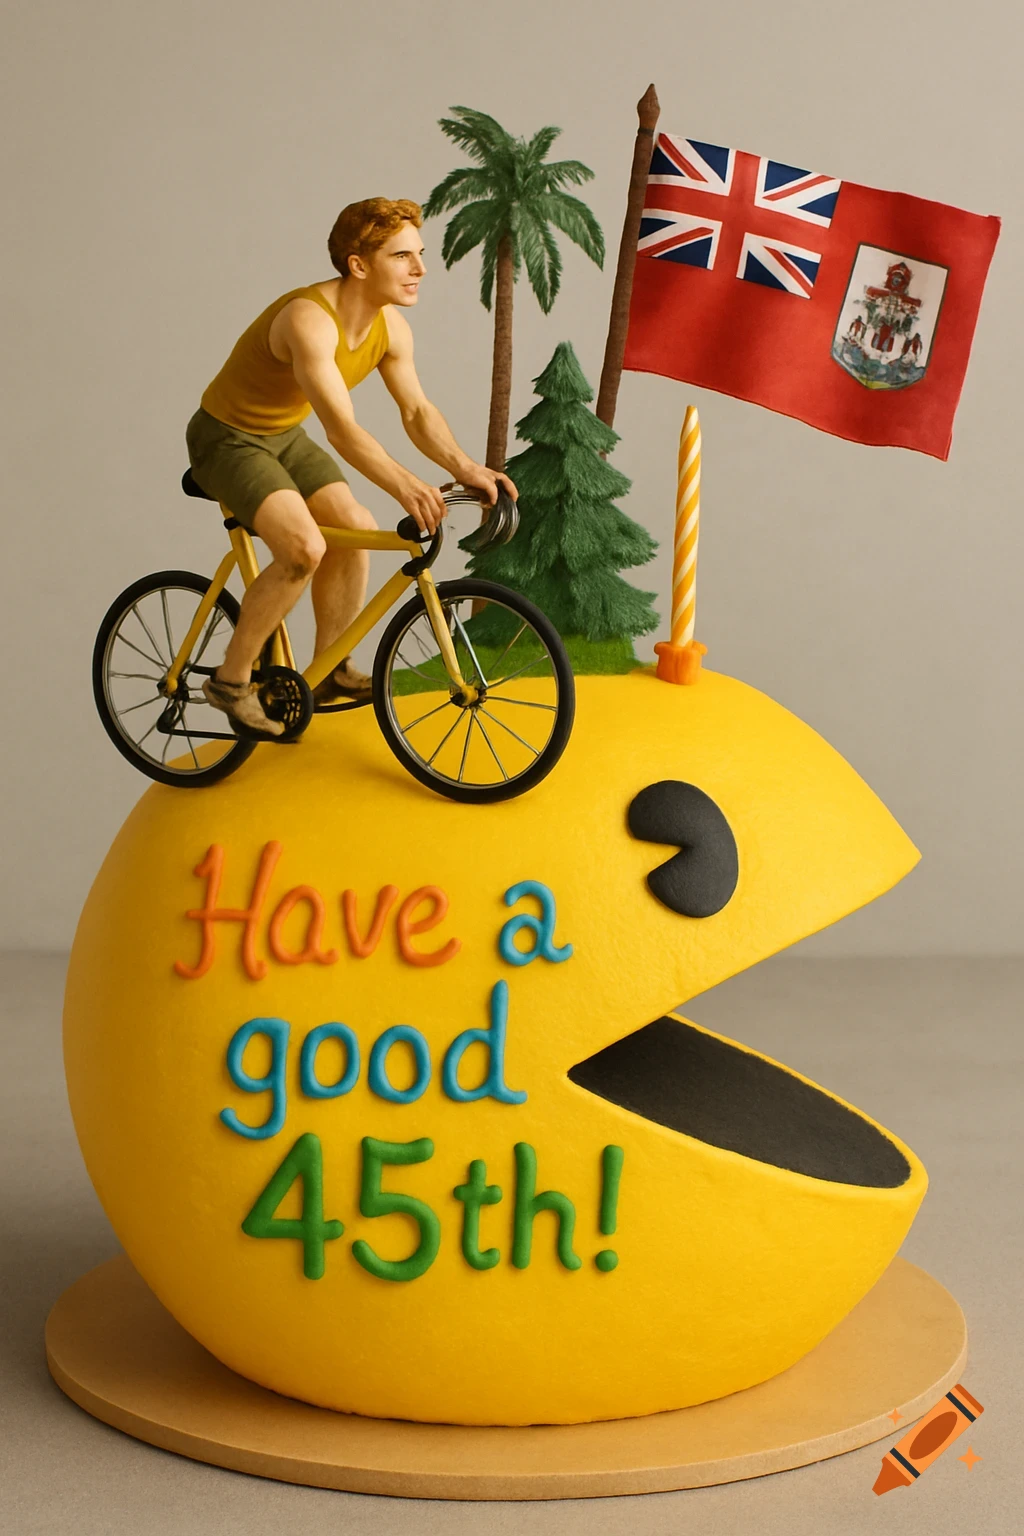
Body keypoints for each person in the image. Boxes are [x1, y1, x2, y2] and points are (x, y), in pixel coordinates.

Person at [185, 197, 517, 737]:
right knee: (303, 549)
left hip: (283, 435)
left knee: (358, 529)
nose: (420, 269)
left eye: (420, 254)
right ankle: (230, 680)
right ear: (359, 265)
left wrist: (466, 467)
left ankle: (328, 669)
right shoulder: (308, 321)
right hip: (228, 438)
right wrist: (407, 485)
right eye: (402, 256)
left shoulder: (391, 330)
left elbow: (416, 411)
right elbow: (341, 430)